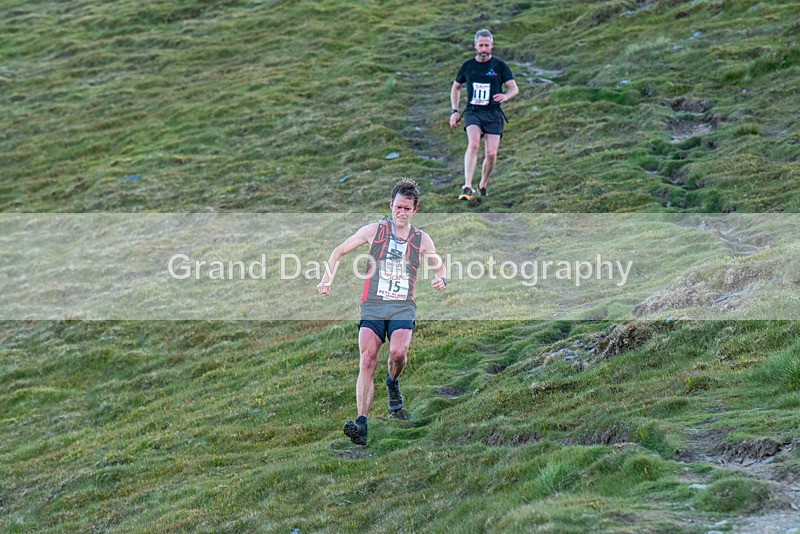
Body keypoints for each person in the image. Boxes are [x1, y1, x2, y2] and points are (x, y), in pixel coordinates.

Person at [317, 179, 447, 446]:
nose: (401, 212)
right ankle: (361, 423)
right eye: (397, 207)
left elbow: (438, 265)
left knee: (398, 354)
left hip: (402, 306)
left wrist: (441, 279)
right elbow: (339, 251)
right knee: (367, 359)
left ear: (415, 210)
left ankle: (392, 381)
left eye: (407, 209)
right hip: (374, 304)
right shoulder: (375, 230)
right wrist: (326, 279)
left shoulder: (421, 239)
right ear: (390, 205)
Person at [450, 29, 519, 201]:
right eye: (480, 45)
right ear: (475, 46)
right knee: (473, 144)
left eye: (486, 45)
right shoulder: (467, 66)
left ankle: (483, 183)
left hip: (494, 113)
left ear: (492, 46)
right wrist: (455, 111)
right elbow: (456, 87)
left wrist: (505, 96)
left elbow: (514, 88)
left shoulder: (499, 66)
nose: (483, 49)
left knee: (491, 154)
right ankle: (467, 186)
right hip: (473, 112)